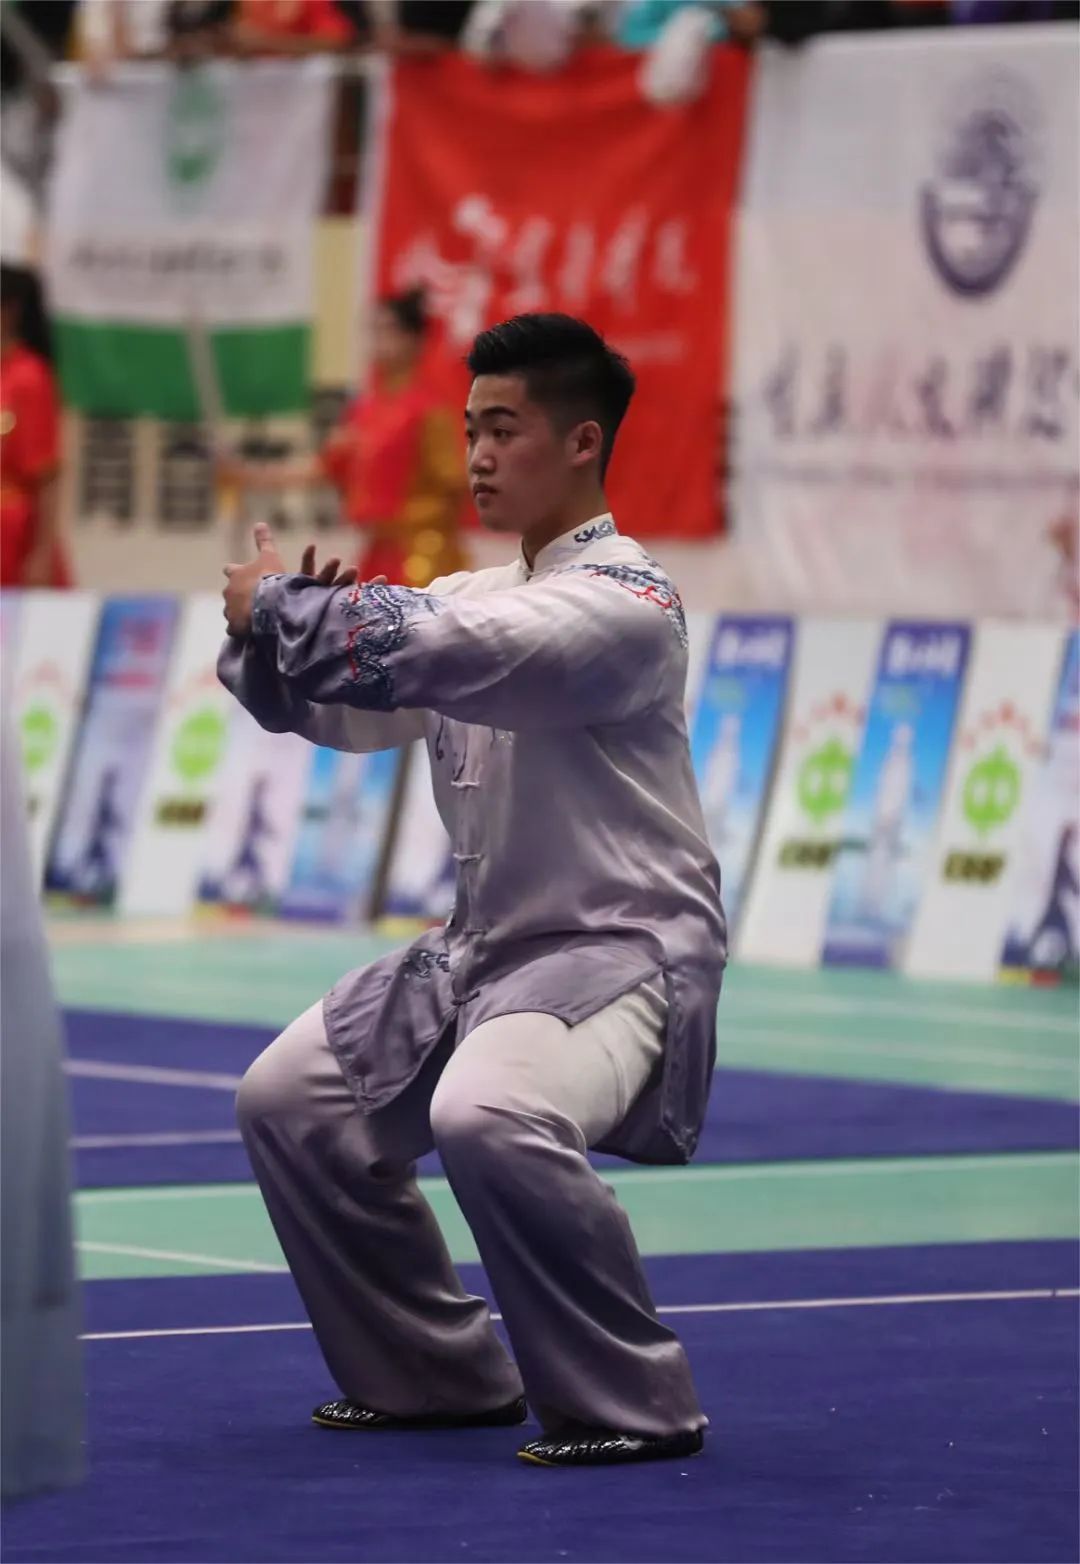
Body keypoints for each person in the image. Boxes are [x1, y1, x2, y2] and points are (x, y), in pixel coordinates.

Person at [218, 312, 726, 1468]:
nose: (480, 456)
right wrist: (269, 647)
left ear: (584, 442)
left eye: (505, 428)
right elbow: (348, 709)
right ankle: (431, 1375)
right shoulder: (475, 592)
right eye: (471, 429)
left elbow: (439, 648)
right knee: (288, 1102)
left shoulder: (628, 607)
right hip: (484, 954)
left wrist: (291, 612)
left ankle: (632, 1402)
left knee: (486, 1112)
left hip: (622, 954)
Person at [230, 290, 468, 590]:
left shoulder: (430, 411)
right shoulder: (365, 411)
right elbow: (323, 468)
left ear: (414, 339)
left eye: (388, 329)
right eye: (374, 329)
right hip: (377, 552)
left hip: (424, 555)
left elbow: (456, 481)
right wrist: (249, 475)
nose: (378, 339)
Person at [0, 263, 69, 589]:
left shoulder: (29, 376)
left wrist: (41, 552)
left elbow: (46, 475)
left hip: (10, 534)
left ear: (10, 310)